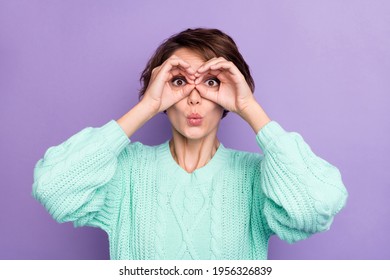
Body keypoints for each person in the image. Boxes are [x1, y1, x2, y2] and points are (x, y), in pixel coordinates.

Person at [32, 28, 348, 260]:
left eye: (211, 83)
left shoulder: (257, 179)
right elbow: (53, 188)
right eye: (179, 82)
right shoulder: (126, 173)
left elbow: (315, 207)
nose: (195, 97)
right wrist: (146, 106)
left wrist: (249, 108)